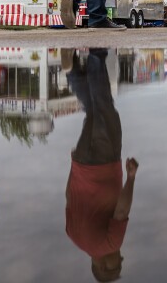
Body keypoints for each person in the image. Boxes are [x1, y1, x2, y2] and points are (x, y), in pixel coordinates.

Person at [64, 48, 138, 281]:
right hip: (81, 163)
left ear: (105, 267)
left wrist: (131, 177)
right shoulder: (74, 237)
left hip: (105, 164)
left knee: (105, 109)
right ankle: (73, 74)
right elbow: (68, 196)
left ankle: (96, 56)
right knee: (94, 114)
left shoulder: (110, 244)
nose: (121, 257)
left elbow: (121, 211)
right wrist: (73, 165)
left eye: (119, 264)